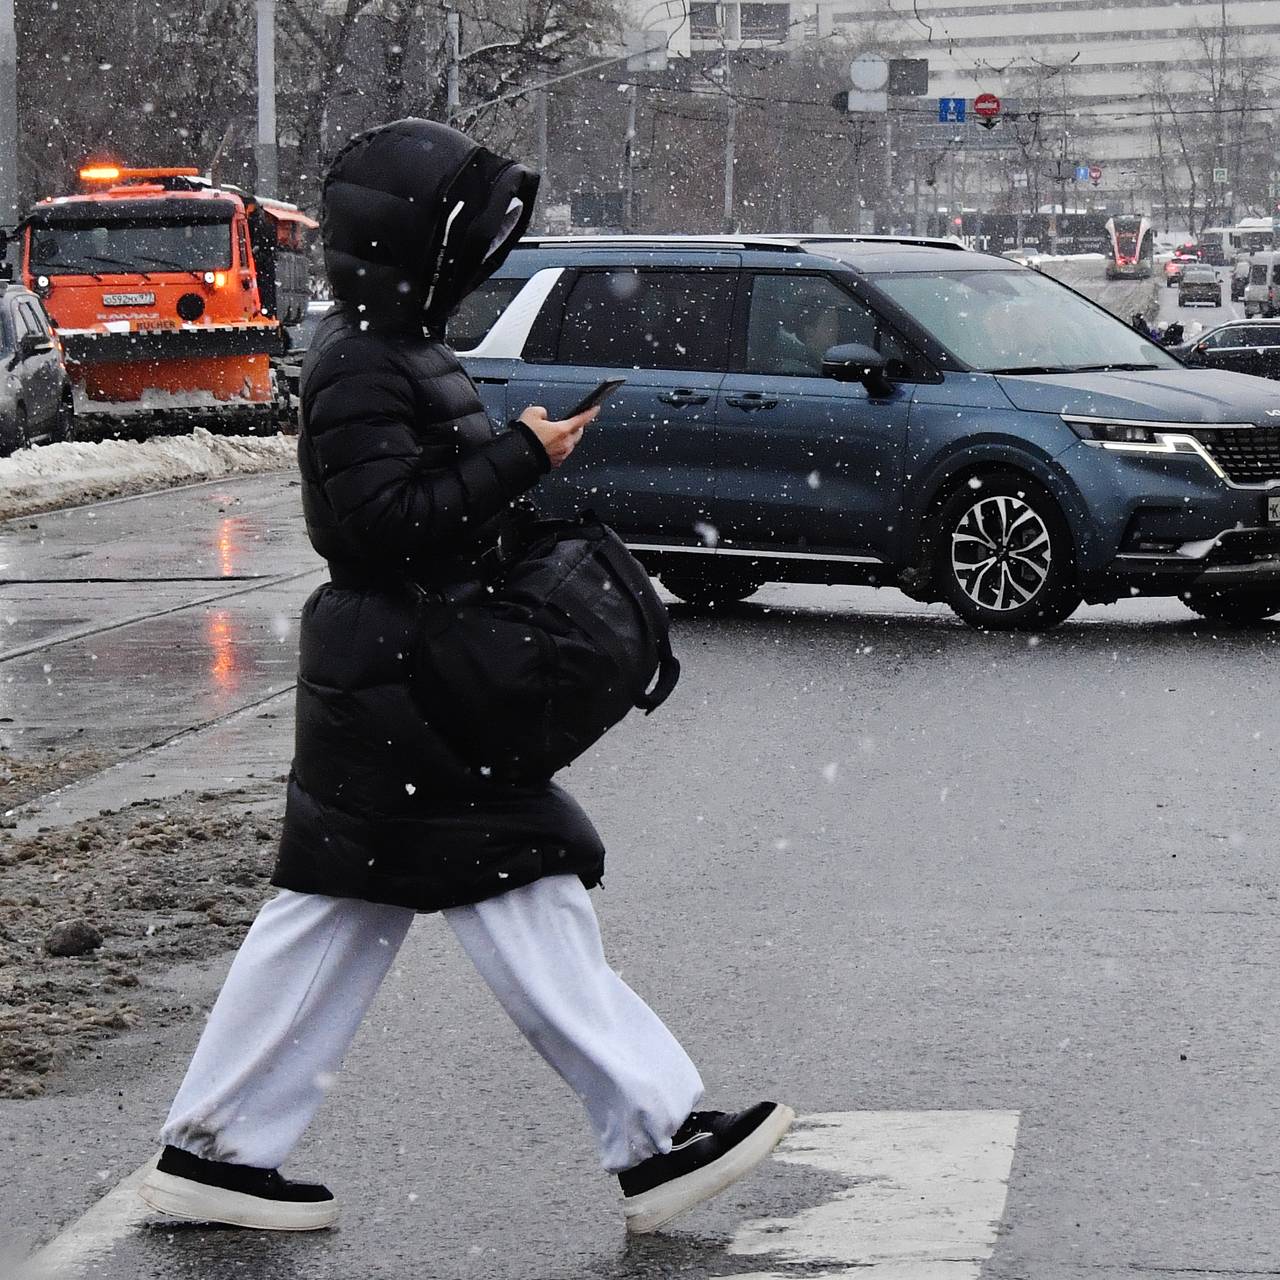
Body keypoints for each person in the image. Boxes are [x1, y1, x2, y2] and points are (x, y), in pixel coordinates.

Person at [137, 118, 792, 1237]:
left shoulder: (392, 347)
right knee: (515, 881)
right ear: (415, 244)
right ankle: (653, 1134)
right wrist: (521, 455)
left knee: (343, 914)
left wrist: (516, 460)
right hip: (407, 682)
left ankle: (217, 1150)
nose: (484, 253)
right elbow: (378, 525)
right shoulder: (362, 363)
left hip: (401, 677)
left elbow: (415, 512)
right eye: (466, 235)